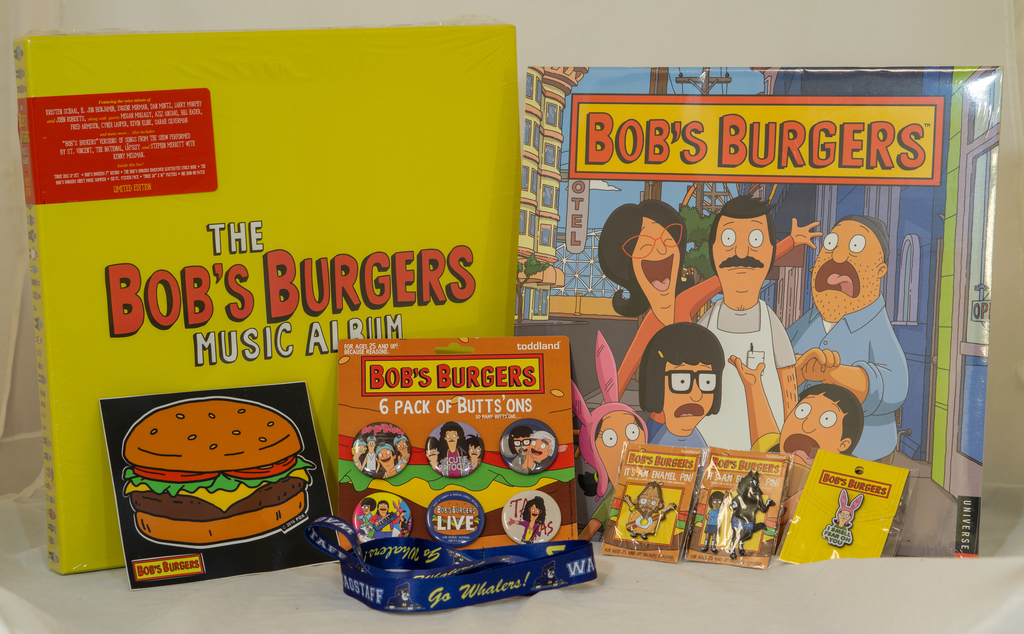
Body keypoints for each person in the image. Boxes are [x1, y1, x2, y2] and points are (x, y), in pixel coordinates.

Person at [598, 198, 819, 406]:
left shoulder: (685, 301)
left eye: (668, 239)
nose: (661, 248)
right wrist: (601, 415)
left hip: (704, 403)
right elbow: (621, 377)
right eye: (646, 244)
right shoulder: (650, 326)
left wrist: (791, 241)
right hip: (667, 413)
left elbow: (737, 268)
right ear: (630, 267)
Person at [786, 216, 908, 460]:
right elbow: (780, 363)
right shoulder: (806, 323)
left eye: (856, 246)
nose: (839, 256)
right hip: (802, 448)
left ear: (880, 270)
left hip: (862, 454)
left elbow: (895, 386)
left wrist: (831, 373)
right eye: (831, 244)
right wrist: (798, 370)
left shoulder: (875, 327)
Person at [696, 195, 802, 449]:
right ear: (713, 250)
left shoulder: (771, 322)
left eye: (755, 240)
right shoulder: (706, 324)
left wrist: (789, 438)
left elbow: (788, 382)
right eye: (728, 239)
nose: (741, 252)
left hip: (766, 445)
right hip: (709, 442)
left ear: (770, 252)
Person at [638, 322, 725, 448]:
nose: (696, 395)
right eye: (681, 381)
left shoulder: (699, 442)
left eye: (707, 381)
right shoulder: (656, 445)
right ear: (655, 383)